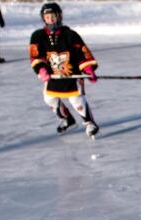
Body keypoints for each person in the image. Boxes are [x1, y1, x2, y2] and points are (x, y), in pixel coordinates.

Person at [29, 2, 100, 138]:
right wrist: (41, 69)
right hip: (53, 76)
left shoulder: (70, 35)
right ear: (43, 18)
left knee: (76, 100)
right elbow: (36, 55)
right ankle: (67, 118)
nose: (50, 19)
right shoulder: (38, 36)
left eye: (53, 16)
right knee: (49, 99)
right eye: (47, 17)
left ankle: (90, 123)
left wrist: (88, 69)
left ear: (59, 16)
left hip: (72, 75)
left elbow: (82, 53)